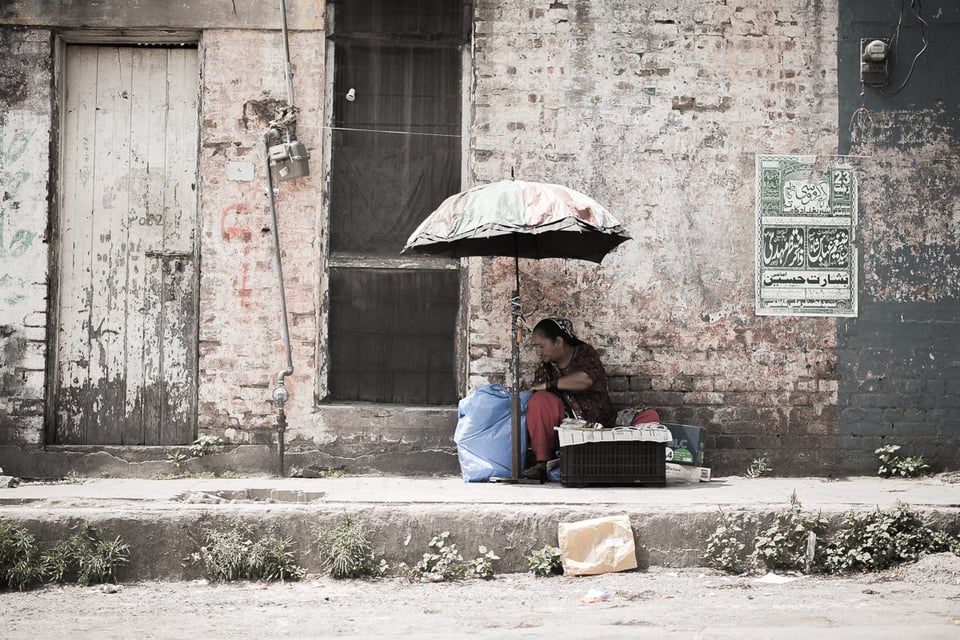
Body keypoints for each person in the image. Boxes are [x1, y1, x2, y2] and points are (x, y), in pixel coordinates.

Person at [524, 318, 615, 480]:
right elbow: (541, 403)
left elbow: (585, 380)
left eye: (541, 346)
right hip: (564, 431)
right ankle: (542, 464)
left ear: (558, 342)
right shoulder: (546, 368)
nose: (538, 352)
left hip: (596, 427)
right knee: (538, 401)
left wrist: (550, 385)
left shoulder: (585, 354)